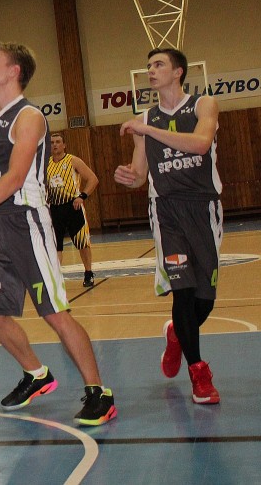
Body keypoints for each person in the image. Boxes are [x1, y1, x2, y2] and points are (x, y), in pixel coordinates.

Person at [0, 43, 117, 427]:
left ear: (14, 71)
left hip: (26, 222)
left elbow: (16, 178)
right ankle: (36, 374)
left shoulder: (29, 117)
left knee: (55, 313)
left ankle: (98, 393)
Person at [114, 48, 222, 404]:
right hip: (166, 212)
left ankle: (176, 334)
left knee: (204, 301)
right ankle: (199, 374)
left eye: (158, 64)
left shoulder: (203, 105)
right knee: (183, 291)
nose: (151, 70)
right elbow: (139, 174)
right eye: (148, 65)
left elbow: (201, 144)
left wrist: (147, 130)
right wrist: (128, 177)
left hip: (203, 208)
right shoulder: (145, 119)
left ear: (178, 72)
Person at [46, 132, 100, 287]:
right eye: (52, 142)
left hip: (73, 207)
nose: (55, 145)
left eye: (58, 142)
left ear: (64, 145)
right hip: (54, 209)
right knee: (55, 246)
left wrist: (82, 196)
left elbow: (93, 179)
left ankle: (88, 272)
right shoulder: (46, 164)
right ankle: (56, 278)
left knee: (82, 243)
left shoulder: (73, 160)